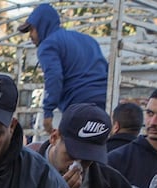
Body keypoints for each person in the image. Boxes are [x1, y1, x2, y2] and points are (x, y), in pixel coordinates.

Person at [19, 4, 109, 137]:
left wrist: (48, 112)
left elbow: (54, 77)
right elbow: (105, 68)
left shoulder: (48, 45)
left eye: (32, 30)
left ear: (42, 25)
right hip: (104, 102)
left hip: (78, 105)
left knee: (74, 149)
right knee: (98, 145)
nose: (30, 36)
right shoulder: (88, 40)